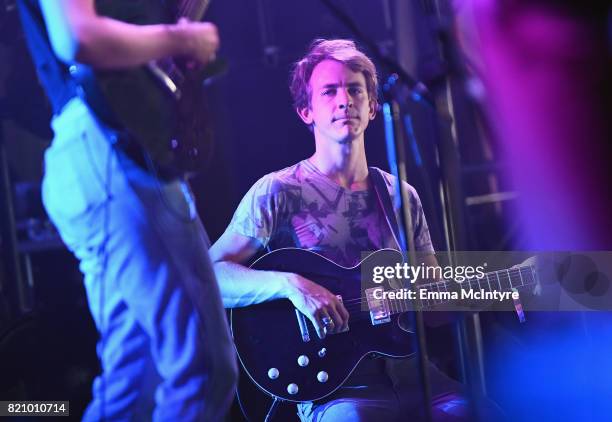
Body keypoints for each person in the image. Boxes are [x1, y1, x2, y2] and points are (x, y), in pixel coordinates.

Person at [210, 39, 491, 421]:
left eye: (355, 89)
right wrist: (291, 285)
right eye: (329, 91)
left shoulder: (399, 195)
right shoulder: (278, 191)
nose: (344, 100)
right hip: (336, 392)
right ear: (306, 111)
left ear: (373, 106)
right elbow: (211, 275)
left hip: (420, 379)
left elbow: (432, 306)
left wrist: (490, 292)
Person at [17, 0, 237, 420]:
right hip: (110, 147)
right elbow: (77, 37)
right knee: (204, 370)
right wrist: (182, 38)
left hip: (110, 150)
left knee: (136, 383)